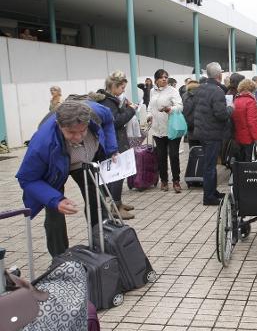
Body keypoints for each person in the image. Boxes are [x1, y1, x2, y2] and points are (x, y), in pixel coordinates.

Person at [16, 100, 118, 256]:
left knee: (97, 201)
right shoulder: (42, 143)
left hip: (84, 162)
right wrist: (55, 200)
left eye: (83, 131)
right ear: (59, 125)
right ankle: (60, 258)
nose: (78, 137)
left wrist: (112, 149)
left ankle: (102, 246)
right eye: (71, 132)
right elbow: (27, 179)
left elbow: (109, 119)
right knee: (54, 213)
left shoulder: (96, 111)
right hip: (55, 167)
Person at [95, 71, 138, 219]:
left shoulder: (107, 100)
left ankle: (117, 203)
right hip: (114, 143)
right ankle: (115, 206)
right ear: (114, 87)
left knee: (117, 174)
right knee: (117, 174)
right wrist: (131, 110)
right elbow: (116, 121)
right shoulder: (108, 102)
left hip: (113, 141)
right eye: (122, 88)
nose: (123, 91)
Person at [193, 62, 232, 205]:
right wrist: (230, 109)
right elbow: (221, 114)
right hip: (212, 133)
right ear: (219, 75)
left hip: (202, 131)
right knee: (210, 165)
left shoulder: (200, 88)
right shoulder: (217, 91)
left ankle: (212, 191)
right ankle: (209, 197)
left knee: (209, 164)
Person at [147, 69, 183, 193]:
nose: (164, 79)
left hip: (172, 128)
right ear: (156, 79)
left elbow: (180, 106)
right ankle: (164, 181)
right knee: (161, 156)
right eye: (161, 77)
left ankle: (176, 181)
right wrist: (148, 115)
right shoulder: (152, 91)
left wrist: (170, 109)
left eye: (166, 77)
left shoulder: (173, 91)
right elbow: (150, 106)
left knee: (173, 156)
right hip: (158, 129)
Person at [233, 78, 257, 161]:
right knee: (249, 163)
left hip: (238, 137)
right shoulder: (250, 102)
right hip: (248, 138)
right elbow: (252, 122)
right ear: (252, 89)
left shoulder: (236, 100)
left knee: (240, 161)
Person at [182, 80, 201, 147]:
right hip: (202, 128)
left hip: (190, 129)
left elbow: (183, 112)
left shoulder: (184, 96)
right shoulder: (202, 95)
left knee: (193, 150)